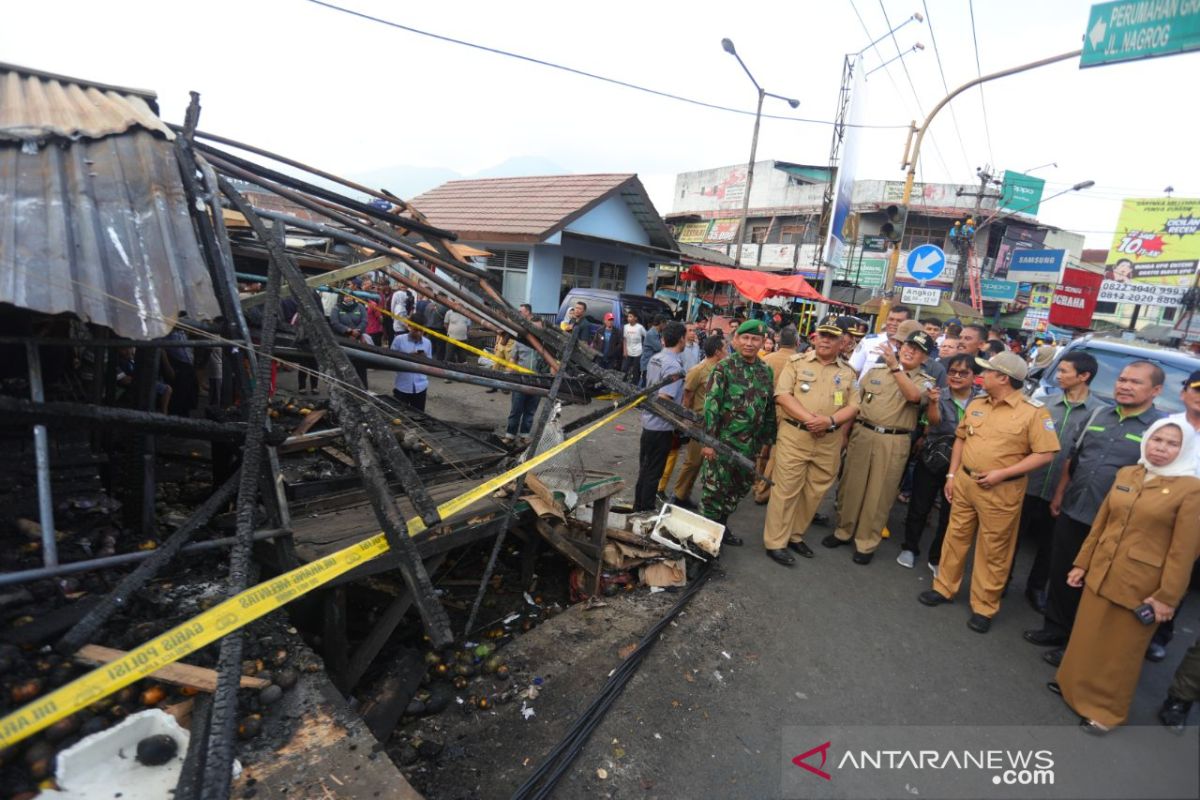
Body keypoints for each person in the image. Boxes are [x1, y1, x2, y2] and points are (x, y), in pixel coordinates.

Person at [1050, 420, 1200, 734]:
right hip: (1103, 569)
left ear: (1185, 449)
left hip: (1141, 583)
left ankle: (1106, 712)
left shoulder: (1191, 490)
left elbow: (1184, 552)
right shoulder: (1129, 473)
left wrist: (1167, 597)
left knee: (1121, 652)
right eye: (1156, 439)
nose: (1160, 447)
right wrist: (1082, 564)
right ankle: (1072, 687)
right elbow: (1102, 524)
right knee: (1086, 636)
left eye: (1171, 443)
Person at [1024, 361, 1166, 664]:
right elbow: (1073, 460)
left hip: (1115, 522)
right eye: (1123, 379)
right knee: (1062, 572)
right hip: (1075, 508)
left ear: (1156, 390)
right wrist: (1060, 494)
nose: (1125, 386)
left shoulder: (1160, 430)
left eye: (1135, 382)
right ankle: (1055, 628)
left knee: (1094, 584)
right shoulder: (1099, 414)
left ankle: (1079, 645)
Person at [918, 352, 1060, 633]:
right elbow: (960, 439)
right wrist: (952, 474)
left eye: (989, 371)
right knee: (955, 536)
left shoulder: (1033, 412)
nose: (982, 375)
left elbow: (1046, 454)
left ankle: (984, 606)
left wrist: (1002, 473)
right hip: (965, 483)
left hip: (1001, 490)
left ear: (1004, 378)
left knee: (993, 549)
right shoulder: (978, 403)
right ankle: (944, 587)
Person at [825, 330, 936, 564]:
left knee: (879, 493)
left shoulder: (925, 381)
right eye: (908, 345)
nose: (910, 351)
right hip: (863, 433)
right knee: (850, 486)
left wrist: (896, 368)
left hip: (894, 440)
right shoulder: (875, 371)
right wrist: (844, 435)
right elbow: (855, 404)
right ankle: (843, 532)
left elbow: (914, 398)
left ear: (925, 358)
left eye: (918, 350)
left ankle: (866, 543)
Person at [762, 319, 859, 566]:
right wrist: (811, 420)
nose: (826, 340)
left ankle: (795, 536)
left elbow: (854, 405)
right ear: (814, 338)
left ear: (842, 342)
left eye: (832, 337)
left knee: (814, 492)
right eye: (822, 335)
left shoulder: (848, 372)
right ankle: (775, 542)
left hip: (828, 441)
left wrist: (830, 421)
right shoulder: (796, 363)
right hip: (796, 436)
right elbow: (782, 395)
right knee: (786, 490)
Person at [1012, 352, 1101, 611]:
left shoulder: (1097, 414)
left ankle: (1036, 587)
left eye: (1064, 371)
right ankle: (1001, 580)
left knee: (1051, 545)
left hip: (1063, 491)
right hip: (1030, 482)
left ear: (1084, 376)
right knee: (1012, 537)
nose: (1058, 375)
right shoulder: (1043, 404)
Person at [698, 320, 777, 546]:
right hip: (722, 445)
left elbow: (768, 407)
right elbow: (711, 407)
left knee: (736, 491)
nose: (749, 343)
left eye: (755, 339)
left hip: (749, 447)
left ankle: (721, 529)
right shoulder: (723, 368)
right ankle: (705, 541)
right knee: (713, 493)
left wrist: (768, 441)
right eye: (745, 338)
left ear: (763, 342)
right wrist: (709, 442)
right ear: (736, 340)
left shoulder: (765, 371)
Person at [898, 354, 979, 572]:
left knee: (950, 512)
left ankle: (936, 557)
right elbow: (934, 422)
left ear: (975, 376)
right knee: (920, 505)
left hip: (963, 463)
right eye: (953, 372)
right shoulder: (937, 394)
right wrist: (933, 402)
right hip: (934, 457)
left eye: (963, 373)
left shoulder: (981, 401)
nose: (957, 376)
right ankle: (910, 548)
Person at [633, 321, 687, 512]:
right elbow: (665, 398)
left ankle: (638, 506)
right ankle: (645, 510)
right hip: (661, 426)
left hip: (649, 423)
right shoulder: (673, 366)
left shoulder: (656, 358)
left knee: (645, 469)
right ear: (681, 339)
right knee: (653, 472)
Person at [668, 335, 727, 509]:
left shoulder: (722, 369)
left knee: (708, 463)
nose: (727, 351)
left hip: (717, 422)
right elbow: (687, 396)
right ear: (717, 351)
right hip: (700, 422)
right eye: (725, 348)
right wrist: (686, 421)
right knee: (693, 461)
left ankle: (687, 494)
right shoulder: (698, 370)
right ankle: (679, 495)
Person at [753, 326, 807, 504]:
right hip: (787, 411)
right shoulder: (800, 362)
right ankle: (763, 489)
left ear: (777, 341)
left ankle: (756, 482)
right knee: (776, 453)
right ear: (797, 343)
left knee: (762, 448)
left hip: (764, 409)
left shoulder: (767, 360)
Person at [504, 316, 542, 445]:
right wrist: (507, 376)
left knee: (530, 411)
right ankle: (510, 435)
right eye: (534, 327)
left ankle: (524, 435)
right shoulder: (520, 342)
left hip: (539, 382)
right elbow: (513, 359)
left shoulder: (545, 345)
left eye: (539, 328)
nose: (536, 330)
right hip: (521, 380)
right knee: (516, 409)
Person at [849, 305, 912, 377]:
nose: (894, 323)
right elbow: (853, 370)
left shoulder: (911, 349)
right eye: (891, 319)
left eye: (899, 321)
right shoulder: (869, 341)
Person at [330, 292, 369, 387]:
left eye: (350, 296)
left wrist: (357, 331)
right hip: (343, 339)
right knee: (344, 365)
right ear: (342, 297)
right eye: (346, 296)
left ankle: (363, 388)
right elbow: (334, 322)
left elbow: (365, 320)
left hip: (358, 339)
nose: (348, 298)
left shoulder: (360, 307)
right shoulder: (336, 308)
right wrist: (348, 331)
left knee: (360, 365)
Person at [390, 326, 432, 411]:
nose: (419, 333)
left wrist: (424, 359)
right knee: (400, 416)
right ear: (409, 327)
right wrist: (409, 356)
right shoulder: (399, 340)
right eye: (416, 330)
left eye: (421, 330)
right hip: (402, 386)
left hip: (421, 386)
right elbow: (391, 360)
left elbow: (430, 363)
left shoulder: (427, 343)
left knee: (419, 416)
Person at [622, 311, 647, 385]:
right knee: (624, 369)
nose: (629, 318)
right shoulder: (625, 327)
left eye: (631, 316)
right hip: (628, 352)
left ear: (635, 318)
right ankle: (622, 384)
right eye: (628, 316)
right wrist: (624, 350)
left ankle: (634, 386)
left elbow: (646, 337)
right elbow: (625, 339)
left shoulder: (640, 327)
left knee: (636, 371)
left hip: (638, 353)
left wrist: (644, 348)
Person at [640, 316, 665, 385]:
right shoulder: (651, 333)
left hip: (653, 364)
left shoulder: (658, 333)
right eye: (664, 324)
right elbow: (659, 348)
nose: (665, 326)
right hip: (647, 364)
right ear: (661, 323)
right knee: (646, 385)